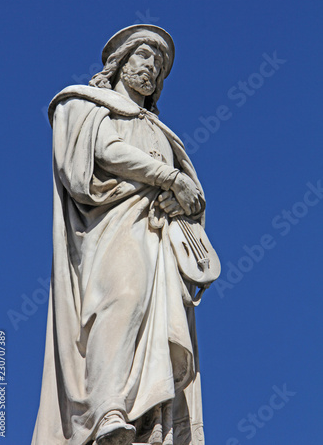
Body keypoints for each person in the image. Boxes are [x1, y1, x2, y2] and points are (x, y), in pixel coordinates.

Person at [32, 25, 217, 445]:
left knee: (161, 321)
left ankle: (152, 417)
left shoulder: (161, 133)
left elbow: (191, 200)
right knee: (123, 296)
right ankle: (107, 407)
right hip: (111, 226)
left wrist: (182, 202)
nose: (152, 68)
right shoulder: (87, 105)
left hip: (158, 238)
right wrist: (168, 178)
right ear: (120, 61)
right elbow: (103, 151)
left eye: (160, 65)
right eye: (144, 57)